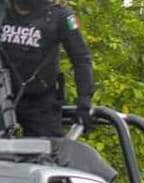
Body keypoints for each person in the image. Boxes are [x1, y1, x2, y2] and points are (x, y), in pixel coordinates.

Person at [0, 0, 93, 137]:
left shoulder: (61, 15)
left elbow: (81, 59)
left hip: (41, 103)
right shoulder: (3, 10)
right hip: (3, 97)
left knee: (49, 152)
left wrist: (84, 99)